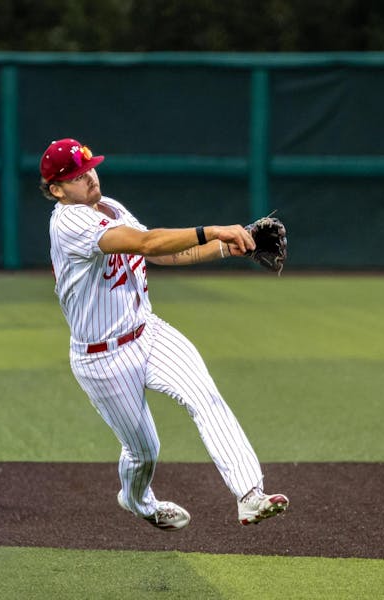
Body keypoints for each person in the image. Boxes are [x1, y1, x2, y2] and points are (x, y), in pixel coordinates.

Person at [39, 138, 288, 531]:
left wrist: (227, 248)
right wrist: (213, 230)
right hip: (101, 359)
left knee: (204, 396)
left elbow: (160, 254)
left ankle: (250, 494)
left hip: (148, 333)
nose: (88, 178)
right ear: (56, 189)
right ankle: (138, 500)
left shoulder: (109, 207)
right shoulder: (70, 222)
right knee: (144, 452)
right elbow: (146, 241)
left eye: (90, 168)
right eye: (75, 176)